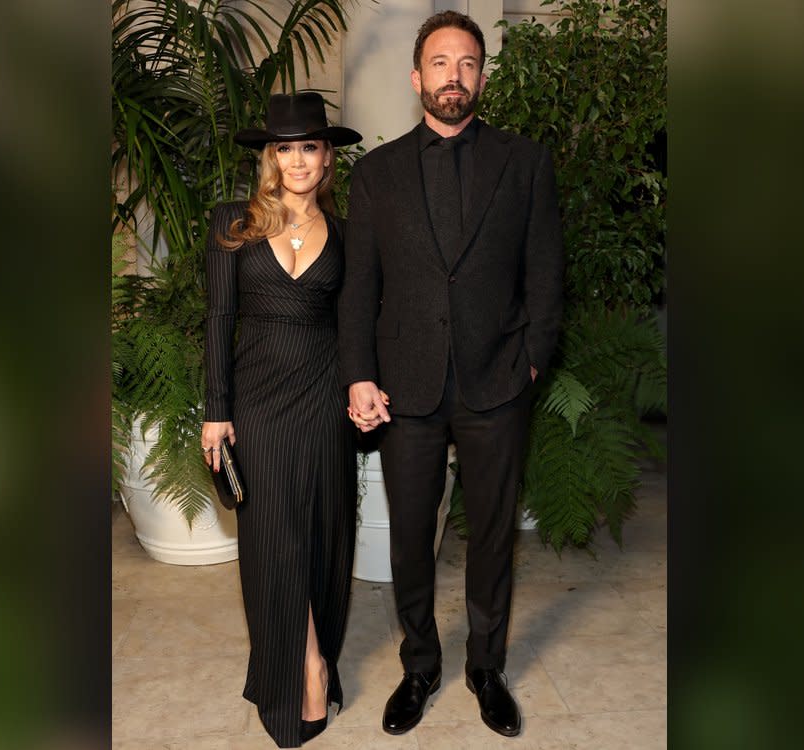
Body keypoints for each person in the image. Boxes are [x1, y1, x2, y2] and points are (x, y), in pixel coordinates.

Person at [338, 11, 563, 739]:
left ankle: (487, 668)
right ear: (416, 78)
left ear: (482, 77)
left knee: (494, 536)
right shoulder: (374, 176)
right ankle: (420, 665)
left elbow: (547, 275)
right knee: (410, 535)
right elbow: (359, 290)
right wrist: (360, 375)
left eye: (467, 63)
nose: (453, 76)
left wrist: (532, 356)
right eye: (440, 63)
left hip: (498, 378)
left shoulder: (525, 163)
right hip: (407, 386)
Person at [201, 92, 363, 748]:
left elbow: (356, 323)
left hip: (323, 397)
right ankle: (307, 667)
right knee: (274, 539)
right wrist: (216, 413)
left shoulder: (349, 234)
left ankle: (305, 656)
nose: (299, 159)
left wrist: (364, 388)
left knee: (320, 535)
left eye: (312, 146)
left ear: (328, 157)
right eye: (286, 147)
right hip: (259, 402)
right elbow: (218, 320)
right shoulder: (231, 221)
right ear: (272, 157)